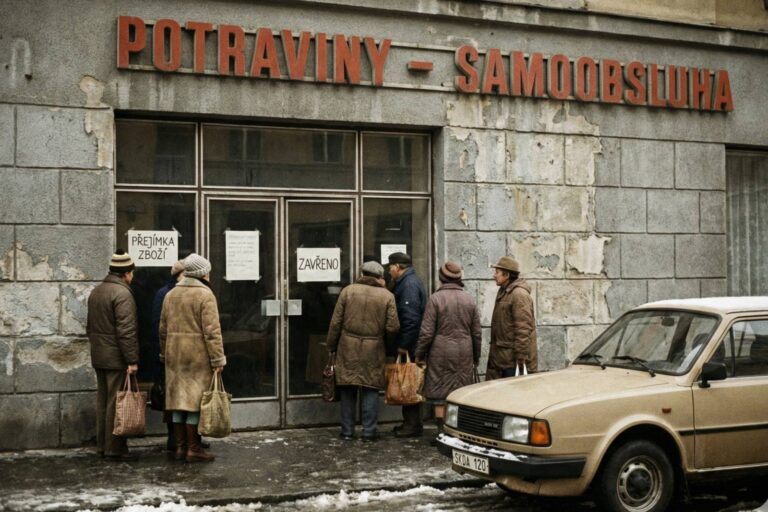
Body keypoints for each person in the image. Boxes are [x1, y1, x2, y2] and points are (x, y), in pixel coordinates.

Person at [160, 254, 226, 462]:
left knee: (178, 402)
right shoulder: (205, 295)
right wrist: (218, 359)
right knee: (195, 402)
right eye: (208, 271)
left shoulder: (171, 294)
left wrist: (164, 353)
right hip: (197, 357)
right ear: (202, 273)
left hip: (174, 356)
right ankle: (194, 448)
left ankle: (180, 448)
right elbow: (212, 332)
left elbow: (162, 330)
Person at [327, 261, 399, 441]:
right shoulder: (387, 296)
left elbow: (335, 323)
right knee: (370, 388)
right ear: (379, 277)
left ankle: (347, 431)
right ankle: (369, 432)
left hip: (348, 346)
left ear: (362, 273)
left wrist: (331, 346)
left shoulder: (348, 291)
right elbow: (393, 327)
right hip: (374, 347)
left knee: (347, 387)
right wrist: (388, 346)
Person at [414, 261, 481, 440]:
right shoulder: (469, 299)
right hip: (465, 350)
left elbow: (426, 332)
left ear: (441, 278)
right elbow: (476, 332)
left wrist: (419, 354)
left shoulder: (435, 299)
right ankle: (457, 431)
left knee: (440, 393)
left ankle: (441, 432)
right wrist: (476, 356)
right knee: (460, 391)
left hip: (440, 351)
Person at [86, 249, 140, 460]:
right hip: (116, 357)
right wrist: (132, 360)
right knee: (116, 402)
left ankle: (102, 446)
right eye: (131, 272)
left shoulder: (97, 291)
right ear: (126, 273)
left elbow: (90, 327)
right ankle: (114, 448)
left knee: (103, 401)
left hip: (99, 355)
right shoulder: (122, 294)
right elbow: (126, 332)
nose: (132, 277)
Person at [387, 252, 427, 438]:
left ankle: (412, 425)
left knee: (408, 382)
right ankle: (410, 423)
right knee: (408, 381)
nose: (389, 271)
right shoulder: (407, 282)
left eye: (390, 267)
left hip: (410, 344)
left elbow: (411, 320)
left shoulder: (408, 284)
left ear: (398, 267)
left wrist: (403, 345)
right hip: (411, 342)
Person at [150, 260, 185, 454]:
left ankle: (186, 439)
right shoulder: (165, 294)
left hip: (179, 353)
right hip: (169, 353)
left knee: (182, 396)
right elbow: (159, 326)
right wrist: (162, 352)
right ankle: (175, 438)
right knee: (171, 397)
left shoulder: (172, 292)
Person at [486, 256, 538, 380]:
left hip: (512, 361)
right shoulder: (504, 291)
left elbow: (523, 328)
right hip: (503, 359)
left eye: (497, 272)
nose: (494, 275)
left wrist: (521, 358)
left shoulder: (519, 294)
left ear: (507, 275)